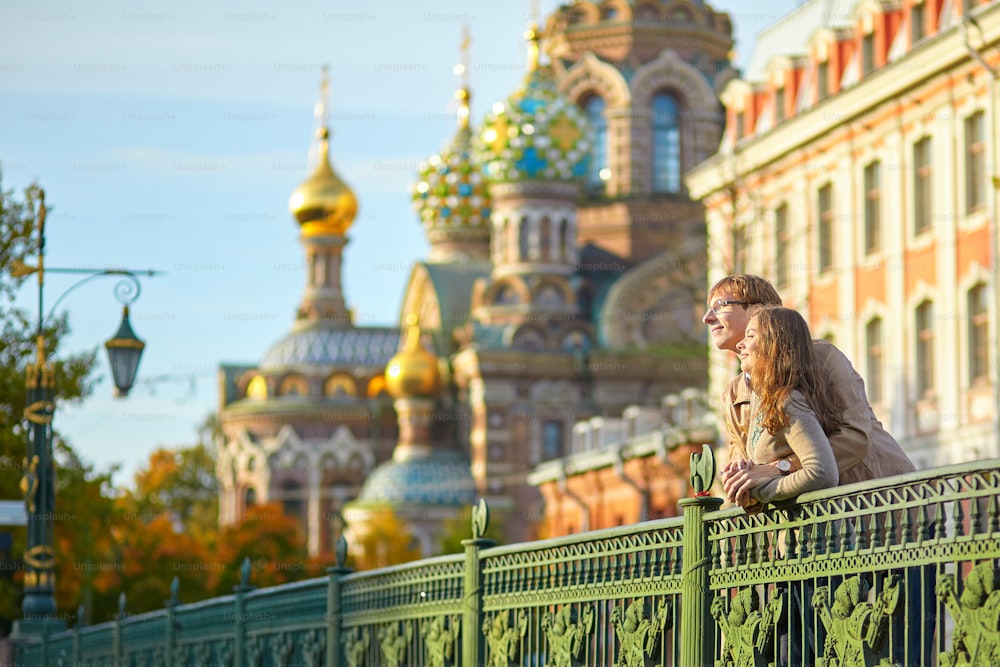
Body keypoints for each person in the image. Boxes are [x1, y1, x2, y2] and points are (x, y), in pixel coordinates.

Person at [703, 274, 914, 502]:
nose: (707, 318)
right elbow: (745, 470)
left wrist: (781, 468)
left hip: (883, 506)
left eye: (719, 306)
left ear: (758, 310)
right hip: (812, 524)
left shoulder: (821, 357)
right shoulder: (733, 394)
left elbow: (857, 435)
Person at [719, 305, 841, 507]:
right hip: (791, 534)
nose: (740, 344)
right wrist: (744, 471)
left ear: (773, 343)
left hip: (818, 535)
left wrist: (760, 491)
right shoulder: (763, 399)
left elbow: (822, 472)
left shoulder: (788, 401)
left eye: (750, 336)